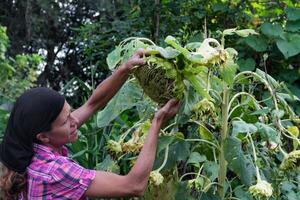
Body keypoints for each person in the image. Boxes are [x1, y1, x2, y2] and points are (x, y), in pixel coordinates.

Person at [0, 49, 180, 199]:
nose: (74, 121)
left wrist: (125, 69)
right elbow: (133, 186)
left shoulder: (29, 147)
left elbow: (93, 104)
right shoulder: (55, 172)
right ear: (43, 136)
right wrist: (157, 123)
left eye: (70, 112)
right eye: (66, 121)